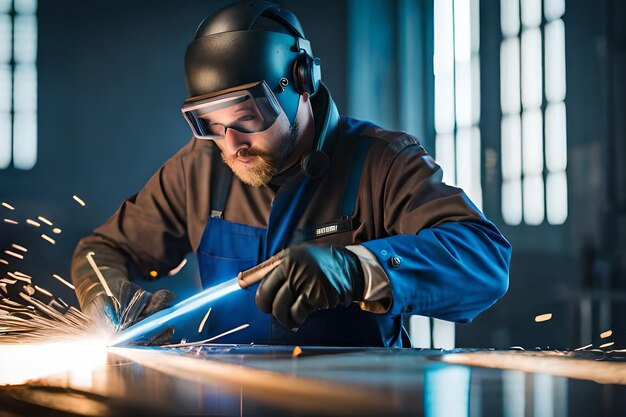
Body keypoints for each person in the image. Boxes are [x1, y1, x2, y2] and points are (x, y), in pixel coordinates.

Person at [71, 0, 511, 347]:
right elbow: (103, 249)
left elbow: (484, 260)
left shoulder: (382, 162)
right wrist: (110, 300)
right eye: (211, 124)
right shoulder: (199, 168)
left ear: (302, 83)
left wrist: (356, 268)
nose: (231, 143)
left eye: (247, 118)